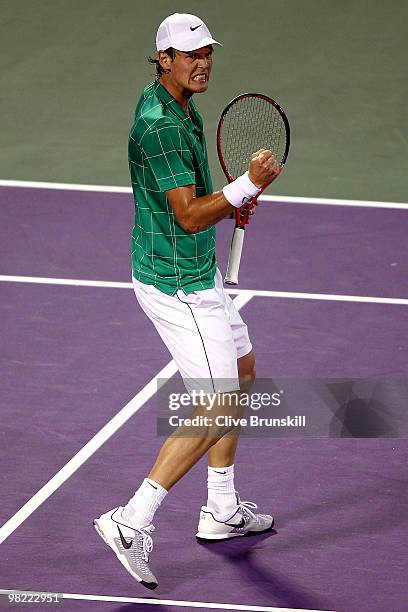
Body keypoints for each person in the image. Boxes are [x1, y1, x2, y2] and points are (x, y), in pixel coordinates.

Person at [94, 13, 280, 590]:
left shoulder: (175, 103)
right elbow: (189, 213)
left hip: (194, 268)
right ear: (164, 58)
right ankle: (131, 520)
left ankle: (220, 508)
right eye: (189, 54)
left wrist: (231, 201)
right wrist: (245, 187)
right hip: (176, 283)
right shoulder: (161, 126)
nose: (202, 63)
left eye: (207, 54)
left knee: (242, 373)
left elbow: (201, 201)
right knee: (218, 403)